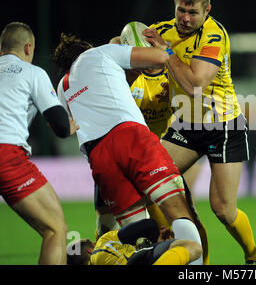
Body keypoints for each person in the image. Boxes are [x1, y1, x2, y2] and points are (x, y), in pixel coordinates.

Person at [53, 33, 203, 265]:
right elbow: (159, 58)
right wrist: (164, 48)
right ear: (86, 48)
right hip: (129, 137)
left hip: (99, 158)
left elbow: (62, 128)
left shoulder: (62, 88)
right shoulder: (98, 53)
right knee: (178, 213)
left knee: (140, 241)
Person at [143, 0, 256, 264]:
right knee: (148, 181)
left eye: (193, 12)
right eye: (181, 10)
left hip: (223, 127)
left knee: (223, 210)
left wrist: (166, 52)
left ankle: (253, 255)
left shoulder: (214, 35)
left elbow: (195, 83)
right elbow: (126, 50)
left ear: (207, 10)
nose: (185, 18)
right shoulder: (160, 31)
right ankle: (186, 250)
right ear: (175, 3)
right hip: (185, 125)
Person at [0, 22, 79, 264]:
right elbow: (61, 127)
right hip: (6, 155)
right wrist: (69, 125)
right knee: (55, 229)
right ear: (28, 48)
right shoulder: (32, 72)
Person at [67, 218, 202, 265]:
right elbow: (148, 225)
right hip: (137, 260)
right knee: (192, 247)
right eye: (91, 242)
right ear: (90, 250)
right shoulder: (102, 245)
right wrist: (155, 242)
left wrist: (158, 245)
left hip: (143, 258)